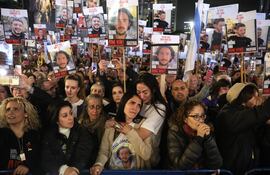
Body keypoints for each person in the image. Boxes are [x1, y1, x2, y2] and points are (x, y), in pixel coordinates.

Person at [90, 92, 152, 174]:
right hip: (112, 172)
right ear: (124, 103)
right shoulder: (112, 124)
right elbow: (104, 152)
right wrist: (99, 164)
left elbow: (146, 154)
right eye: (132, 103)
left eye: (138, 105)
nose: (135, 108)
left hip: (135, 172)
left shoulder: (144, 125)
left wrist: (130, 133)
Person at [215, 83, 270, 175]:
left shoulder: (250, 117)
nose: (259, 100)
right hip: (232, 170)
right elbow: (259, 113)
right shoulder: (227, 115)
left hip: (251, 169)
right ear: (243, 98)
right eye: (255, 96)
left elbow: (263, 141)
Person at [41, 100, 94, 175]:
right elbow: (46, 158)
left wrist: (74, 170)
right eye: (65, 116)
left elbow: (83, 155)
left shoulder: (82, 131)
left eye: (71, 113)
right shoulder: (48, 134)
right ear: (56, 120)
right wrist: (63, 169)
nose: (70, 118)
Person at [167, 100, 222, 169]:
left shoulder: (207, 130)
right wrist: (198, 140)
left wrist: (208, 139)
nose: (201, 120)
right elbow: (180, 166)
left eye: (202, 116)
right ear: (185, 119)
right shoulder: (175, 133)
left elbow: (216, 164)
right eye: (196, 116)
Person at [0, 97, 41, 175]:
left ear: (26, 114)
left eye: (15, 109)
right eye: (8, 109)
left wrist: (28, 166)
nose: (10, 112)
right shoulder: (1, 134)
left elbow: (38, 159)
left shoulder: (34, 135)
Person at [135, 73, 167, 167]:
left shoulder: (160, 108)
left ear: (153, 90)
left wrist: (120, 126)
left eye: (145, 92)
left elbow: (142, 134)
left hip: (149, 157)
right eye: (138, 92)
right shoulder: (137, 102)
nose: (141, 96)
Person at [79, 94, 108, 166]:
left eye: (98, 107)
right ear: (86, 108)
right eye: (91, 107)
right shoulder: (80, 124)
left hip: (100, 165)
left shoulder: (107, 124)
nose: (95, 111)